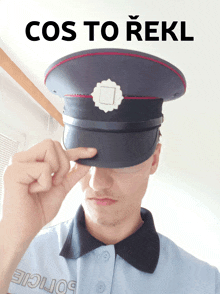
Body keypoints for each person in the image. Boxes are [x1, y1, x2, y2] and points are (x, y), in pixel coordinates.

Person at [1, 49, 220, 294]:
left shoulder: (205, 284)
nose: (97, 183)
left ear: (154, 160)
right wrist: (12, 234)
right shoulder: (14, 255)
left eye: (122, 161)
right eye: (87, 159)